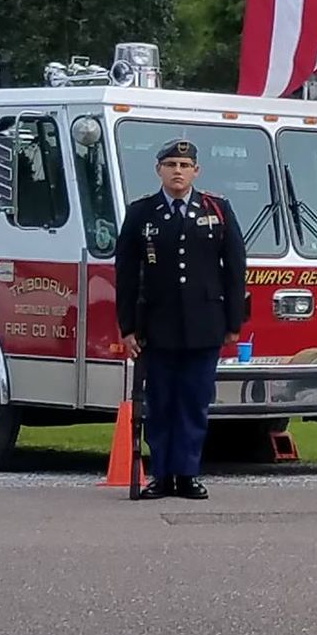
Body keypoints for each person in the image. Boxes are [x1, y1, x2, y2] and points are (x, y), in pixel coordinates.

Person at [115, 138, 249, 499]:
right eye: (171, 164)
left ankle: (187, 473)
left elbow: (236, 269)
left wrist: (233, 323)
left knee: (193, 402)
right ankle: (161, 475)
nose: (178, 171)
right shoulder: (142, 213)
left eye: (185, 165)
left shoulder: (217, 209)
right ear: (159, 169)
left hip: (205, 325)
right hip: (156, 327)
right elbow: (127, 273)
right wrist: (127, 327)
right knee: (160, 404)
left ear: (196, 171)